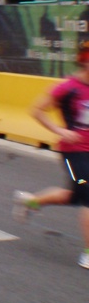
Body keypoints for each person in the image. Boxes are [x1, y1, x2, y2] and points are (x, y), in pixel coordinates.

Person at [13, 42, 89, 270]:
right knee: (87, 193)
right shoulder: (67, 88)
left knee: (75, 196)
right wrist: (60, 131)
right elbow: (36, 110)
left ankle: (31, 201)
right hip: (73, 152)